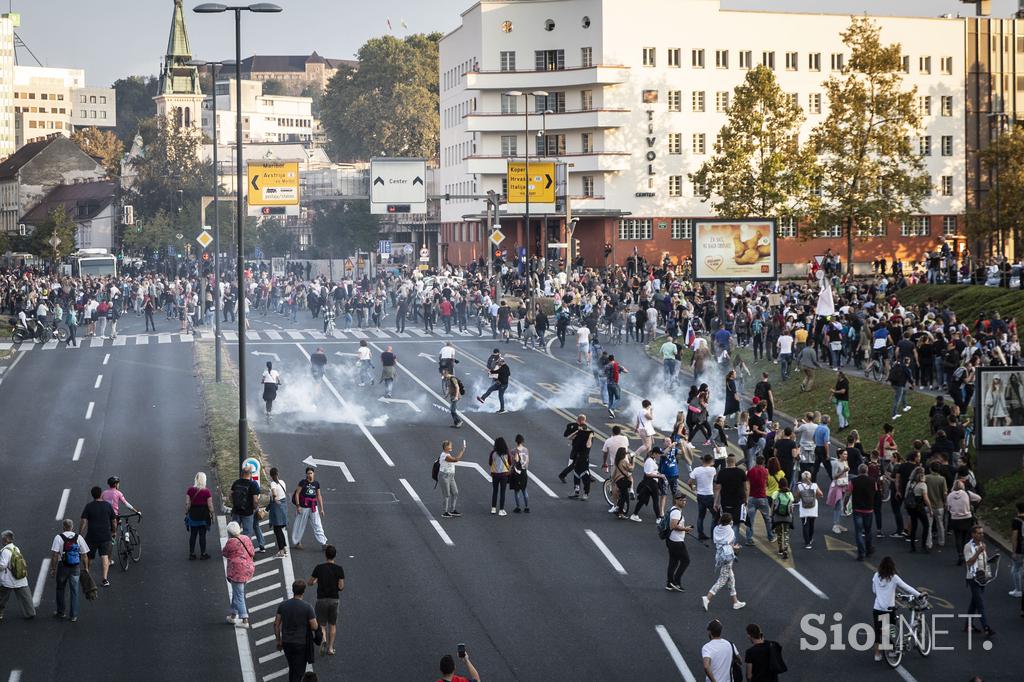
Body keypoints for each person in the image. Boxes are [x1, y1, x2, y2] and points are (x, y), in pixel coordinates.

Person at [871, 556, 922, 661]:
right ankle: (892, 649)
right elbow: (907, 588)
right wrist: (919, 595)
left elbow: (874, 591)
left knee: (877, 631)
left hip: (877, 608)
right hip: (889, 609)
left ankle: (877, 654)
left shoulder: (876, 576)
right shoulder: (894, 578)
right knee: (892, 630)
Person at [275, 580, 319, 682]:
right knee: (298, 672)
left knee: (292, 667)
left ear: (293, 590)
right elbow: (314, 626)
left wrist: (278, 640)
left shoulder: (283, 605)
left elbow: (276, 624)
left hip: (286, 642)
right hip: (300, 644)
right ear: (303, 592)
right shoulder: (307, 607)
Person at [702, 513, 746, 612]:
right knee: (722, 580)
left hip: (719, 555)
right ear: (729, 521)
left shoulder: (717, 528)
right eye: (731, 520)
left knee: (731, 578)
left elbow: (718, 542)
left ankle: (735, 602)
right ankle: (707, 597)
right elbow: (729, 544)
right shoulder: (729, 530)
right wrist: (736, 548)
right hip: (727, 556)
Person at [309, 545, 345, 657]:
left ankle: (323, 639)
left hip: (321, 600)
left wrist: (316, 581)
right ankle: (330, 648)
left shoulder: (319, 568)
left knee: (322, 624)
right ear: (335, 555)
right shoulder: (339, 569)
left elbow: (310, 582)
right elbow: (341, 587)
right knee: (333, 624)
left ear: (325, 555)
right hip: (334, 600)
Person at [50, 520, 88, 622]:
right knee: (74, 590)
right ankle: (73, 615)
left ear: (63, 527)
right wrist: (86, 568)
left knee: (60, 588)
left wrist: (53, 569)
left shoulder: (58, 537)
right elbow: (84, 554)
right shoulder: (78, 537)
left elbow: (54, 555)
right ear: (72, 527)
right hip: (75, 567)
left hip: (63, 566)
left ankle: (61, 612)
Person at [79, 485, 116, 587]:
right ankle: (104, 579)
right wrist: (114, 531)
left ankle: (87, 572)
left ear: (92, 495)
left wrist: (80, 534)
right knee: (104, 556)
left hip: (92, 536)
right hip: (105, 535)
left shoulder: (89, 506)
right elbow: (113, 520)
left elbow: (83, 521)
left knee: (89, 556)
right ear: (101, 494)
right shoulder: (108, 506)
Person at [964, 525, 996, 638]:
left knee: (974, 603)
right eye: (978, 533)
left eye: (982, 533)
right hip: (973, 578)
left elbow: (984, 561)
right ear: (973, 534)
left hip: (982, 577)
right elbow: (968, 562)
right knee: (980, 604)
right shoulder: (968, 547)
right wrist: (977, 553)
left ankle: (968, 624)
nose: (981, 535)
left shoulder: (983, 545)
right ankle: (986, 627)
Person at [224, 521, 255, 628]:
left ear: (229, 533)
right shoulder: (246, 538)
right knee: (237, 593)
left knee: (239, 595)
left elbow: (225, 553)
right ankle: (233, 615)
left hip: (237, 571)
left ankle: (244, 619)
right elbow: (252, 552)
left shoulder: (230, 542)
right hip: (248, 569)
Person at [0, 530, 35, 621]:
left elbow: (3, 565)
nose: (1, 540)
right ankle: (30, 612)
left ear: (6, 539)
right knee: (26, 597)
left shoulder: (5, 551)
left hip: (8, 580)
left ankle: (0, 614)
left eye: (2, 539)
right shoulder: (16, 548)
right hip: (20, 578)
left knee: (2, 598)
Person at [231, 465, 267, 554]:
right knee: (247, 533)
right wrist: (255, 509)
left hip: (236, 511)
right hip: (247, 512)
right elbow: (255, 500)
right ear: (250, 474)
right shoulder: (253, 484)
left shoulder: (236, 482)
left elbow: (230, 496)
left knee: (235, 531)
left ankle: (234, 549)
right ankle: (247, 552)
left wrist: (235, 504)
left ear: (242, 473)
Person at [292, 466, 328, 550]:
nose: (309, 475)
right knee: (299, 525)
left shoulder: (316, 483)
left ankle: (323, 543)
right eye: (308, 473)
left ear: (314, 474)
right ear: (306, 474)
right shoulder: (302, 482)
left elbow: (319, 496)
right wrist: (298, 506)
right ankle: (297, 542)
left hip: (313, 507)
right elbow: (297, 494)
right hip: (303, 507)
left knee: (317, 525)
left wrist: (322, 508)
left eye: (311, 473)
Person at [561, 415, 595, 500]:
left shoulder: (588, 436)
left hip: (584, 458)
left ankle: (586, 493)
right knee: (576, 474)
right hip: (577, 456)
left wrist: (590, 436)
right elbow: (569, 437)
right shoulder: (578, 435)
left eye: (581, 429)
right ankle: (576, 491)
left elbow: (588, 446)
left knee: (585, 475)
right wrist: (576, 432)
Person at [948, 481, 981, 565]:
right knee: (967, 538)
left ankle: (960, 555)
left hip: (955, 519)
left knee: (958, 537)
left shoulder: (950, 495)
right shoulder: (967, 493)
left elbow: (948, 507)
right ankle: (967, 554)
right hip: (967, 518)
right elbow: (978, 498)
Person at [665, 493, 693, 592]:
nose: (684, 502)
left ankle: (669, 583)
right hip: (676, 541)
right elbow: (673, 526)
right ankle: (676, 581)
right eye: (682, 500)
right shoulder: (676, 512)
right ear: (676, 500)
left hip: (671, 540)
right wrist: (685, 529)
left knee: (673, 561)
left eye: (685, 500)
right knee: (686, 560)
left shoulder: (673, 509)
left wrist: (684, 529)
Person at [631, 448, 667, 522]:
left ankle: (635, 514)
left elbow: (653, 471)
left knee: (643, 500)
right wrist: (660, 476)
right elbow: (648, 474)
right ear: (654, 453)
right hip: (651, 483)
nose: (659, 455)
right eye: (658, 454)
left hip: (650, 483)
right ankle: (658, 518)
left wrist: (658, 474)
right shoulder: (649, 461)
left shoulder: (652, 460)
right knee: (654, 500)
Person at [850, 464, 876, 561]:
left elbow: (848, 493)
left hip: (857, 509)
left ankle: (861, 553)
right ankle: (869, 549)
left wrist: (844, 505)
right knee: (868, 531)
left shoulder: (853, 481)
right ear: (867, 471)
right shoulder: (873, 481)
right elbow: (876, 492)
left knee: (859, 532)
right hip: (869, 509)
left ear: (858, 471)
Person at [185, 472, 214, 560]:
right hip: (203, 515)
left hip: (193, 514)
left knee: (193, 534)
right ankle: (203, 553)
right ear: (204, 480)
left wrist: (186, 512)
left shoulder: (190, 490)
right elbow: (210, 505)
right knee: (202, 535)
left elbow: (187, 503)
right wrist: (212, 513)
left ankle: (192, 553)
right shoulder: (207, 491)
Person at [690, 454, 718, 541]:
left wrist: (692, 487)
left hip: (700, 495)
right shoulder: (712, 470)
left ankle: (700, 534)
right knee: (715, 515)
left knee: (701, 516)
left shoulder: (696, 470)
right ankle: (713, 534)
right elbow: (716, 479)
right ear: (710, 461)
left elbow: (690, 481)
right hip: (709, 495)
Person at [745, 455, 773, 544]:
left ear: (756, 461)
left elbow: (747, 480)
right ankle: (770, 536)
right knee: (767, 518)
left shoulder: (751, 471)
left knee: (750, 519)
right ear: (763, 462)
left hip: (752, 497)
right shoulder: (765, 471)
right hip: (762, 497)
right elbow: (768, 482)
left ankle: (749, 539)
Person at [438, 440, 466, 518]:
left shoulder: (447, 454)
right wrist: (462, 451)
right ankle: (445, 512)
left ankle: (452, 510)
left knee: (455, 492)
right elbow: (456, 459)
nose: (451, 447)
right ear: (446, 447)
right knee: (446, 494)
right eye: (450, 445)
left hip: (451, 476)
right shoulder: (444, 455)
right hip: (444, 476)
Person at [796, 471, 823, 550]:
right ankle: (810, 539)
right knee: (812, 524)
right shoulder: (814, 485)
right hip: (813, 507)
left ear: (802, 478)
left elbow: (796, 497)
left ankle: (807, 543)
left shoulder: (800, 486)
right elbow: (821, 494)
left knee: (805, 524)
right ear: (810, 477)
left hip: (804, 508)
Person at [268, 467, 290, 557]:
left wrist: (275, 498)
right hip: (283, 507)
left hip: (277, 509)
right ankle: (284, 548)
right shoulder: (282, 482)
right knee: (280, 529)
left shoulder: (273, 483)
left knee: (277, 530)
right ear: (278, 474)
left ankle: (281, 550)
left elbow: (274, 493)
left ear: (271, 476)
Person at [488, 437, 512, 515]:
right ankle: (501, 510)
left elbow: (490, 463)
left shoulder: (493, 453)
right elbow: (510, 462)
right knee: (502, 492)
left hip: (495, 474)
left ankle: (493, 508)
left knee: (495, 491)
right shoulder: (506, 453)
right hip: (504, 474)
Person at [889, 356, 914, 420]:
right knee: (897, 399)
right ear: (908, 362)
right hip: (899, 385)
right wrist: (912, 385)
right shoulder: (907, 369)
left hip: (894, 383)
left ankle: (905, 406)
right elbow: (910, 379)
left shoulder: (898, 366)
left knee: (904, 392)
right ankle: (894, 415)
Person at [510, 434, 530, 513]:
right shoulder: (526, 450)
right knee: (524, 490)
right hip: (524, 471)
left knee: (516, 491)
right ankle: (527, 507)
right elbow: (528, 460)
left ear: (516, 441)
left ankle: (518, 507)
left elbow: (512, 462)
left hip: (517, 472)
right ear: (523, 441)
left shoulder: (513, 451)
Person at [1010, 502, 1024, 599]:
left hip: (1020, 548)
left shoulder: (1016, 521)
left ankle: (1018, 590)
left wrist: (1014, 551)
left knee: (1016, 569)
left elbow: (1015, 537)